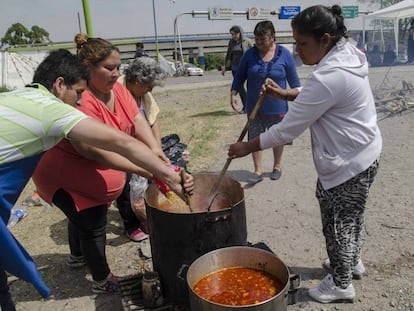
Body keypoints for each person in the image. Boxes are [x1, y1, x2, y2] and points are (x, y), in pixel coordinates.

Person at [0, 49, 193, 311]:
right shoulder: (51, 109)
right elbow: (119, 141)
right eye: (78, 93)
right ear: (59, 84)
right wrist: (167, 174)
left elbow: (135, 126)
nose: (80, 102)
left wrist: (158, 160)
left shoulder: (21, 95)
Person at [229, 5, 382, 304]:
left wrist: (246, 146)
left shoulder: (329, 75)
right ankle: (351, 262)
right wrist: (285, 94)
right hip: (365, 152)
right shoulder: (348, 53)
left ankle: (340, 284)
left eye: (302, 43)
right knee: (353, 217)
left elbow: (285, 131)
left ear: (325, 39)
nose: (297, 50)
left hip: (348, 163)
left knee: (337, 222)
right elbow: (317, 94)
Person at [230, 20, 301, 183]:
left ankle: (277, 165)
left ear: (273, 37)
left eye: (263, 39)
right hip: (254, 105)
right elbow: (239, 75)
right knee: (255, 138)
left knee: (278, 137)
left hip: (278, 107)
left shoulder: (284, 54)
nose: (259, 42)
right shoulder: (249, 54)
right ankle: (258, 170)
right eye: (257, 39)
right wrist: (233, 92)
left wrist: (293, 95)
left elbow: (295, 83)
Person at [116, 56, 167, 242]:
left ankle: (146, 217)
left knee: (144, 184)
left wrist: (157, 149)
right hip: (121, 146)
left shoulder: (143, 94)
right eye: (149, 86)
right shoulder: (117, 91)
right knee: (124, 185)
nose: (151, 90)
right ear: (137, 81)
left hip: (140, 146)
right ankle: (130, 225)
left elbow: (153, 120)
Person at [222, 25, 253, 113]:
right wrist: (226, 67)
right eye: (232, 35)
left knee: (251, 86)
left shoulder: (247, 41)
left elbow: (254, 53)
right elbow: (229, 55)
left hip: (246, 68)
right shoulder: (231, 42)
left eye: (235, 34)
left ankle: (253, 105)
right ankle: (246, 107)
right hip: (235, 68)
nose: (234, 36)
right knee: (239, 88)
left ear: (240, 33)